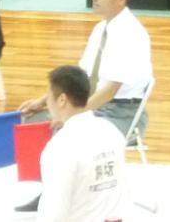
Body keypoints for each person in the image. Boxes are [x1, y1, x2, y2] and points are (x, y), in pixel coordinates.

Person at [16, 0, 153, 213]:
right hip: (95, 106)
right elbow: (79, 78)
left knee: (63, 130)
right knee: (35, 119)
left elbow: (110, 90)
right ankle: (51, 190)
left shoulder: (131, 34)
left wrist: (72, 116)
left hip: (122, 112)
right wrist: (43, 101)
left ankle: (72, 194)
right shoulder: (100, 29)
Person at [36, 64, 127, 222]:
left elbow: (53, 213)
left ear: (62, 99)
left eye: (48, 97)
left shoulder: (59, 148)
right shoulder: (112, 132)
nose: (48, 103)